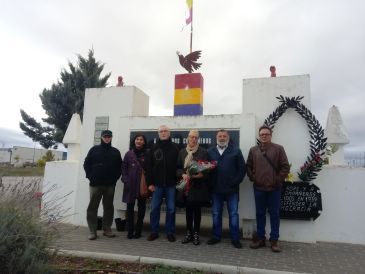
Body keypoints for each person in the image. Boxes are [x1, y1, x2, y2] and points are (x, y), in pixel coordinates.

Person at [247, 125, 289, 252]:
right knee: (260, 214)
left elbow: (285, 167)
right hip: (259, 188)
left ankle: (274, 240)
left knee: (275, 214)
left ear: (270, 135)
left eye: (266, 134)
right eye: (262, 134)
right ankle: (260, 239)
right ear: (259, 136)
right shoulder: (253, 150)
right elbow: (248, 166)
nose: (264, 136)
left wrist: (277, 180)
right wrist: (254, 178)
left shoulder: (279, 149)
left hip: (274, 189)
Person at [207, 129, 246, 248]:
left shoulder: (236, 151)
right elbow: (206, 170)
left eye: (224, 136)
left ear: (228, 138)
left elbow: (242, 169)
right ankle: (216, 236)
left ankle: (235, 239)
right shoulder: (210, 151)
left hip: (232, 189)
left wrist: (235, 182)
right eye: (220, 136)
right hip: (216, 189)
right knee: (216, 213)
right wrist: (210, 184)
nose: (222, 138)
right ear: (216, 138)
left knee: (233, 214)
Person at [84, 130, 122, 240]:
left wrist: (115, 178)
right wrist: (90, 176)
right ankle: (92, 231)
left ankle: (107, 229)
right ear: (101, 137)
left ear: (111, 138)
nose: (107, 138)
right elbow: (86, 164)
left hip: (110, 185)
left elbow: (120, 167)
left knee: (109, 207)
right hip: (95, 184)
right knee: (92, 207)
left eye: (109, 136)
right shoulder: (94, 150)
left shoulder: (115, 152)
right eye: (105, 136)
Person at [146, 125, 179, 242]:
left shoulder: (175, 148)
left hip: (171, 184)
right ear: (158, 134)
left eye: (165, 131)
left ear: (169, 133)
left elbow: (179, 166)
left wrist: (178, 182)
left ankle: (170, 232)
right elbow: (148, 168)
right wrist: (149, 183)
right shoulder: (153, 148)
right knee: (154, 208)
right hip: (157, 185)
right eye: (161, 131)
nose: (163, 133)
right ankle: (154, 232)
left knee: (171, 209)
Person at [176, 130, 209, 245]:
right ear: (188, 138)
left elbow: (206, 169)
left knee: (197, 211)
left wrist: (201, 174)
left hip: (198, 187)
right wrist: (182, 174)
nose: (193, 139)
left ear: (198, 139)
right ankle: (188, 233)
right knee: (188, 211)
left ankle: (196, 234)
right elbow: (178, 168)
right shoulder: (182, 152)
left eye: (196, 137)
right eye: (191, 137)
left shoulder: (203, 151)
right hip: (186, 187)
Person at [121, 134, 148, 239]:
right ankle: (130, 231)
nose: (139, 141)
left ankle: (138, 231)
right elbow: (123, 167)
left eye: (141, 139)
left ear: (144, 142)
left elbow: (149, 169)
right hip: (130, 185)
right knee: (130, 208)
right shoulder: (129, 154)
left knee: (141, 209)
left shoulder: (147, 153)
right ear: (134, 141)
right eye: (137, 139)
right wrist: (125, 179)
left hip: (141, 185)